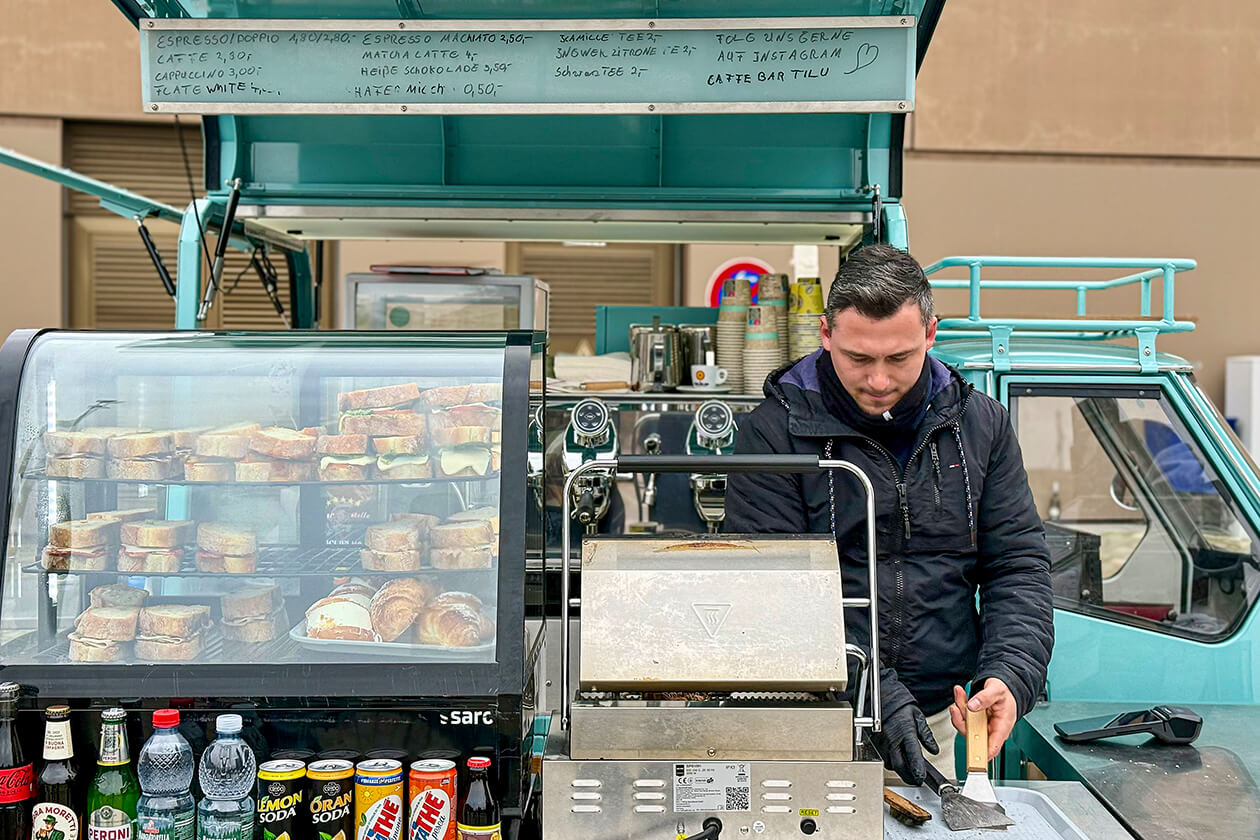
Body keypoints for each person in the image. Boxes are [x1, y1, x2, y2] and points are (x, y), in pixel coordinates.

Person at [724, 244, 1054, 784]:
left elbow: (1016, 567)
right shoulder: (773, 434)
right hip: (812, 719)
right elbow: (773, 592)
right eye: (858, 358)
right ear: (825, 334)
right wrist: (870, 686)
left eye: (898, 358)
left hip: (942, 726)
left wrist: (1011, 675)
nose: (878, 381)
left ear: (930, 333)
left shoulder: (981, 426)